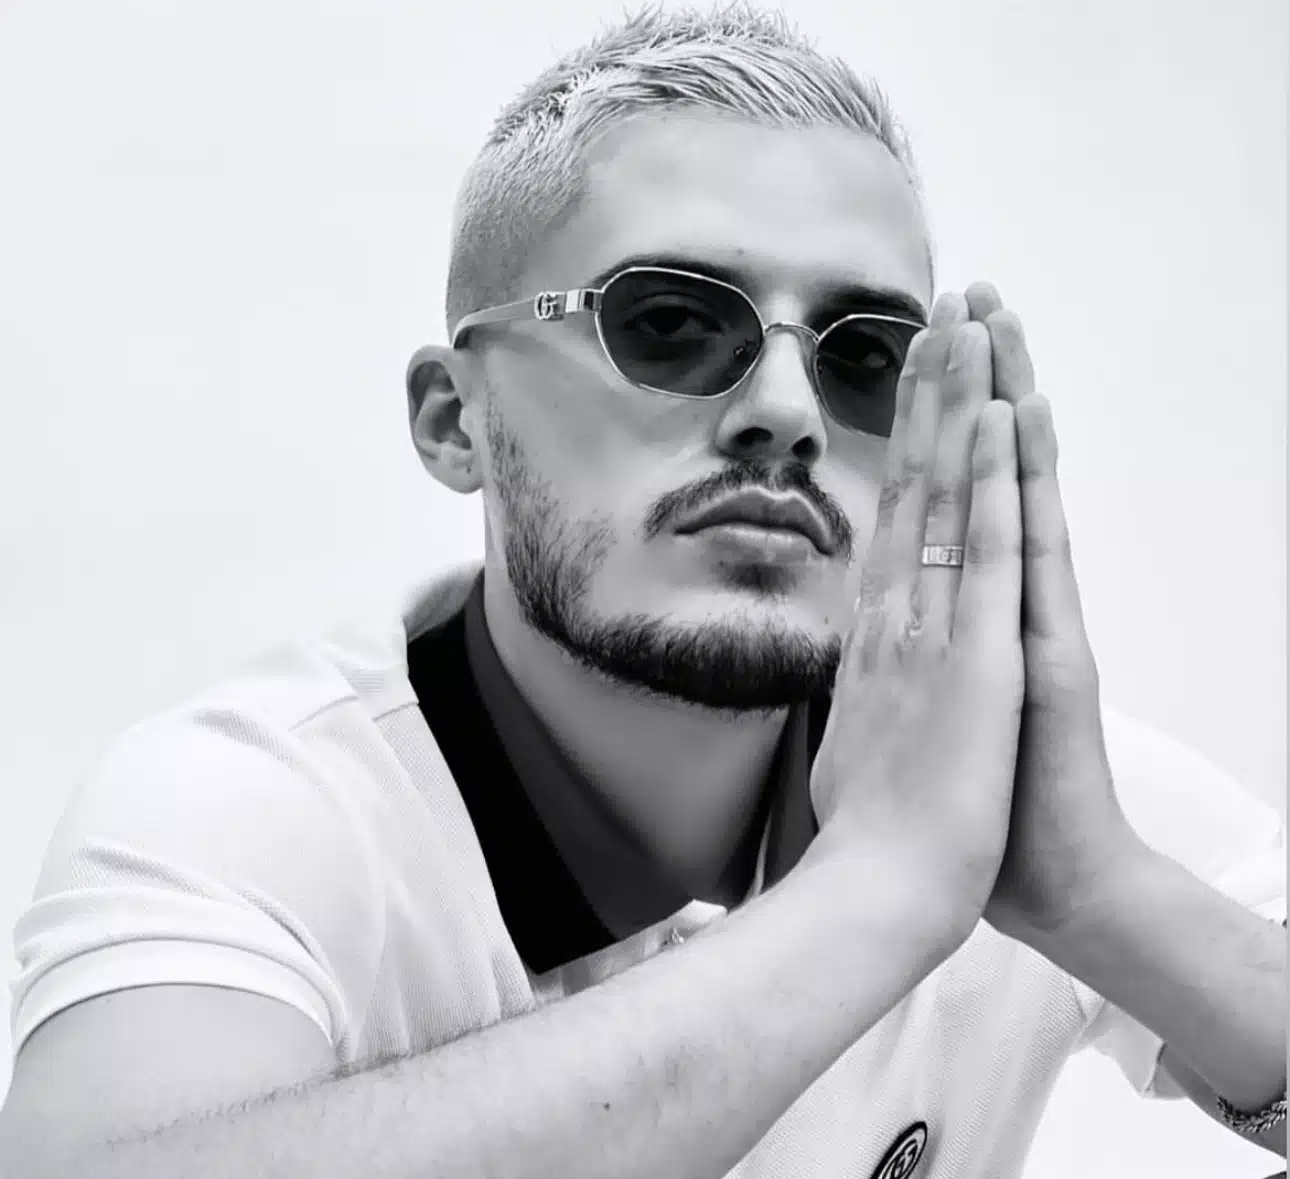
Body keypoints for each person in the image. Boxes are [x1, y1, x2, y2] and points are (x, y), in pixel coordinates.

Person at [0, 5, 1284, 1177]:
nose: (785, 411)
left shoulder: (1001, 790)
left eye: (867, 359)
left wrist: (1098, 895)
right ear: (455, 419)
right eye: (669, 324)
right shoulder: (254, 810)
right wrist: (875, 894)